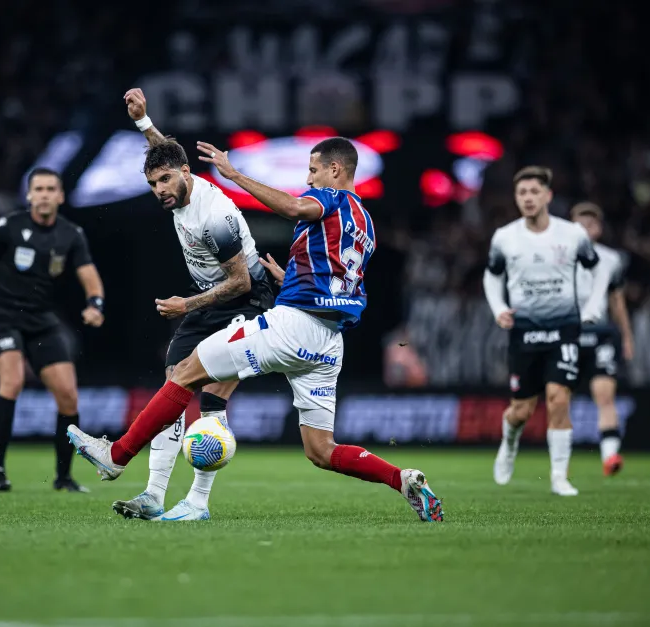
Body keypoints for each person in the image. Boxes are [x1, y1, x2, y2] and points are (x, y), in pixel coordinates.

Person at [69, 136, 444, 523]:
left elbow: (295, 206)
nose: (309, 179)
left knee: (185, 372)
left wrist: (234, 174)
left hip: (292, 327)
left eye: (313, 170)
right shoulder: (364, 222)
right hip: (328, 343)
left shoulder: (333, 198)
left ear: (335, 170)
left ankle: (116, 457)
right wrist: (292, 280)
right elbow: (340, 280)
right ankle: (402, 479)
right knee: (321, 449)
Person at [109, 88, 275, 522]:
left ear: (187, 174)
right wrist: (144, 123)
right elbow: (166, 157)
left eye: (164, 181)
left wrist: (187, 305)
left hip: (248, 299)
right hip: (207, 301)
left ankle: (198, 502)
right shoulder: (178, 183)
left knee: (212, 399)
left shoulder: (213, 214)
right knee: (173, 387)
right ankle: (153, 494)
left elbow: (239, 282)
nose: (159, 190)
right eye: (152, 184)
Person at [0, 167, 106, 492]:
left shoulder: (71, 234)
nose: (45, 194)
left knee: (68, 395)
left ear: (61, 196)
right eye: (39, 189)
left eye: (51, 188)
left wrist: (95, 304)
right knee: (12, 380)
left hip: (40, 319)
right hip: (2, 316)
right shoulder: (8, 227)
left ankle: (64, 477)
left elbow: (89, 275)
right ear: (29, 195)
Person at [484, 167, 610, 496]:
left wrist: (594, 306)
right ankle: (509, 442)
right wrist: (499, 308)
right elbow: (492, 276)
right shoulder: (505, 237)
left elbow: (600, 271)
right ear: (516, 198)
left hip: (564, 328)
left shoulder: (572, 235)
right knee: (521, 411)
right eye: (521, 193)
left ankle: (558, 477)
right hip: (524, 332)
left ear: (547, 196)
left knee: (557, 399)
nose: (527, 198)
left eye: (533, 192)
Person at [571, 202, 634, 476]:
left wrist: (628, 337)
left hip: (600, 334)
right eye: (581, 222)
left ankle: (610, 456)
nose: (586, 227)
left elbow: (617, 302)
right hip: (567, 334)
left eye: (591, 222)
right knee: (559, 398)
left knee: (604, 394)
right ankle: (560, 461)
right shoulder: (557, 256)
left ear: (600, 227)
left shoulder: (611, 259)